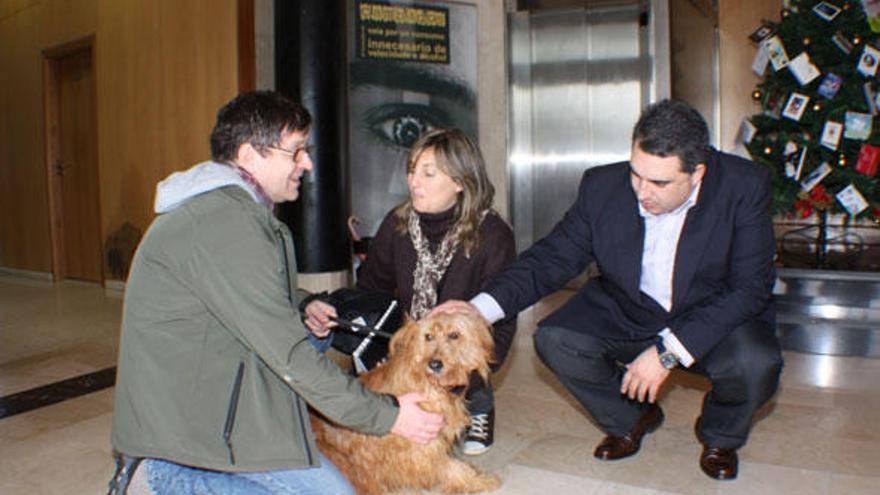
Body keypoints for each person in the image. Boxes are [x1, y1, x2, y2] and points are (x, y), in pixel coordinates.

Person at [109, 91, 444, 495]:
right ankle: (154, 479)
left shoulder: (232, 210)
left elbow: (247, 294)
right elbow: (289, 357)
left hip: (211, 395)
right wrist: (388, 414)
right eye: (296, 151)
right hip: (180, 437)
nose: (307, 163)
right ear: (250, 155)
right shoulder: (226, 224)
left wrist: (303, 304)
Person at [433, 100, 784, 480]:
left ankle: (720, 435)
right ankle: (632, 418)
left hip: (711, 314)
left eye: (659, 183)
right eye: (636, 174)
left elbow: (750, 288)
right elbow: (551, 259)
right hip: (630, 308)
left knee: (755, 363)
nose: (641, 191)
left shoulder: (743, 186)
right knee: (555, 339)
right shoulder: (602, 186)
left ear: (697, 172)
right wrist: (480, 309)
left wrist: (667, 352)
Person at [303, 128, 517, 456]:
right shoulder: (398, 224)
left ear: (460, 181)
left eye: (428, 173)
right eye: (412, 170)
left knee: (462, 346)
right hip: (415, 336)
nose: (414, 181)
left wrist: (471, 374)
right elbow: (370, 289)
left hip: (462, 348)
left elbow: (501, 323)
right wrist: (335, 312)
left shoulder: (493, 235)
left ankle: (478, 403)